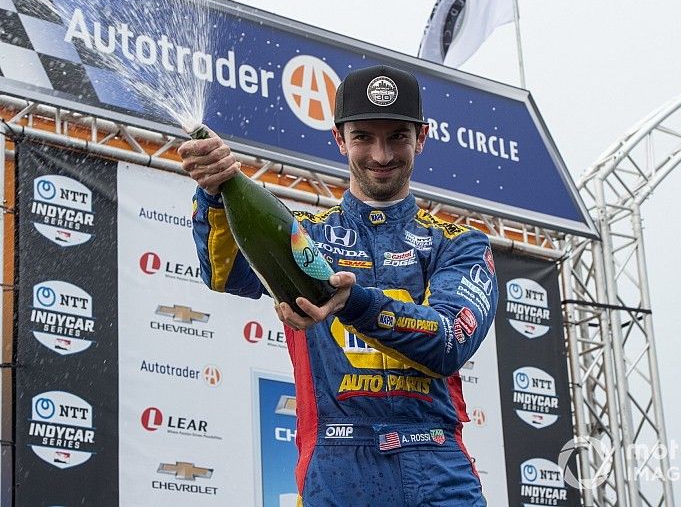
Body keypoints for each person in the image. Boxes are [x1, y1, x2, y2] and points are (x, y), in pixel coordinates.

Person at [179, 65, 498, 506]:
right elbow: (224, 274)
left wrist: (354, 301)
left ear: (421, 139)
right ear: (339, 139)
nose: (382, 155)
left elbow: (448, 343)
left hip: (436, 465)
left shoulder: (458, 243)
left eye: (398, 137)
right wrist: (214, 194)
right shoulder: (304, 234)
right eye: (364, 136)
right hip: (336, 463)